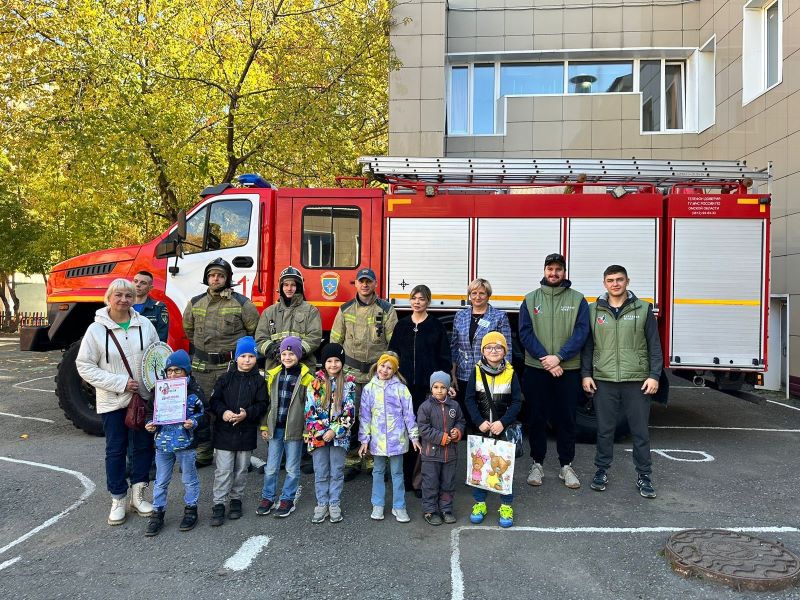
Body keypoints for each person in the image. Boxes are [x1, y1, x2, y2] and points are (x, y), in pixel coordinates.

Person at [76, 278, 160, 525]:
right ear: (109, 297)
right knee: (115, 450)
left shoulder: (145, 325)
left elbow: (157, 355)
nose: (124, 300)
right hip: (113, 400)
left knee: (143, 447)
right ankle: (118, 498)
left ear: (135, 298)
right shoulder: (96, 330)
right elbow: (84, 366)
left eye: (129, 295)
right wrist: (120, 383)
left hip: (143, 399)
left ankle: (138, 495)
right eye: (119, 295)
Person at [581, 265, 663, 499]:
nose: (615, 284)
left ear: (628, 281)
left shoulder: (644, 309)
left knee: (640, 432)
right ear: (604, 283)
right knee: (605, 430)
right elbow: (588, 346)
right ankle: (601, 471)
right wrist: (586, 374)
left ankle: (644, 475)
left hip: (637, 380)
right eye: (610, 280)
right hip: (604, 379)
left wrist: (654, 375)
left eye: (619, 279)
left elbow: (654, 346)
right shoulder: (593, 310)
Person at [519, 253, 589, 490]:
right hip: (537, 369)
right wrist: (546, 360)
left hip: (567, 369)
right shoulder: (530, 300)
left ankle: (566, 466)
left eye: (558, 269)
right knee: (536, 417)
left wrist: (559, 357)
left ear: (564, 273)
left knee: (566, 418)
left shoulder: (578, 300)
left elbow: (581, 333)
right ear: (544, 270)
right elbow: (525, 333)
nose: (554, 273)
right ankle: (537, 464)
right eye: (550, 269)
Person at [183, 257, 260, 467]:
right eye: (212, 275)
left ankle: (231, 455)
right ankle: (204, 453)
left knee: (231, 410)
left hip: (229, 368)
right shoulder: (195, 303)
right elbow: (188, 330)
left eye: (220, 275)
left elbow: (254, 332)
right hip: (203, 367)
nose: (215, 279)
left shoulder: (243, 303)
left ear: (227, 279)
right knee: (203, 410)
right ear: (207, 278)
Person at [330, 267, 397, 479]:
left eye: (369, 281)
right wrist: (335, 371)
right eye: (361, 281)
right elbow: (335, 342)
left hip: (376, 376)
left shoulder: (387, 310)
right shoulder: (345, 309)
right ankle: (351, 460)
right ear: (356, 284)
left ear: (375, 284)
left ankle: (371, 460)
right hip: (349, 373)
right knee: (349, 417)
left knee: (375, 418)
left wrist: (386, 371)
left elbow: (392, 344)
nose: (365, 285)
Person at [388, 284, 451, 497]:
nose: (417, 302)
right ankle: (402, 478)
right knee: (405, 432)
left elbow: (444, 357)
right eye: (414, 298)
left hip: (426, 390)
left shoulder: (435, 326)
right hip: (404, 389)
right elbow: (393, 355)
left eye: (422, 299)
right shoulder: (402, 325)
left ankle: (420, 480)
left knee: (424, 435)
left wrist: (441, 386)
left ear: (428, 302)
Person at [144, 349, 208, 536]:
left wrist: (194, 422)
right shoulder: (158, 390)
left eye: (177, 371)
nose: (172, 374)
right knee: (161, 480)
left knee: (189, 479)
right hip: (163, 444)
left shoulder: (194, 392)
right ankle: (158, 513)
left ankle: (191, 509)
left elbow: (206, 414)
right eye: (169, 371)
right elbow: (150, 412)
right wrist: (150, 424)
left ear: (187, 372)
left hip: (185, 444)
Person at [465, 332, 523, 528]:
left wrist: (503, 422)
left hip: (502, 431)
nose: (493, 351)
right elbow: (469, 399)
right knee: (479, 467)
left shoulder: (511, 373)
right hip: (481, 428)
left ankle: (506, 505)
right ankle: (479, 503)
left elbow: (516, 402)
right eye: (489, 347)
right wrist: (479, 420)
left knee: (504, 469)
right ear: (483, 351)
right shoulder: (477, 371)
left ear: (504, 351)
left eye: (498, 347)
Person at [208, 336, 268, 527]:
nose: (247, 360)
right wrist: (223, 412)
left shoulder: (259, 381)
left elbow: (262, 404)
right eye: (243, 356)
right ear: (236, 357)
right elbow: (214, 401)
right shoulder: (225, 378)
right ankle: (219, 503)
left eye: (251, 356)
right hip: (224, 432)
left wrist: (247, 414)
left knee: (241, 470)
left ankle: (236, 499)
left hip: (246, 432)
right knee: (223, 470)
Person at [358, 352, 420, 523]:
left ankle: (399, 506)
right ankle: (377, 504)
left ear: (395, 370)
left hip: (397, 439)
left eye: (389, 367)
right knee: (377, 471)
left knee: (397, 473)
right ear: (377, 366)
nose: (384, 370)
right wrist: (365, 439)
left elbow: (409, 415)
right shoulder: (369, 388)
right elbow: (365, 416)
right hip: (377, 440)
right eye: (382, 366)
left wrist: (414, 437)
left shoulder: (401, 388)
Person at [257, 336, 315, 518]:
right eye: (284, 353)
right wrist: (264, 425)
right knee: (272, 466)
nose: (287, 357)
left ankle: (287, 499)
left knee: (292, 467)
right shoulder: (273, 376)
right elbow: (267, 404)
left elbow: (309, 407)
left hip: (295, 430)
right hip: (275, 428)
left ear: (298, 355)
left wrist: (307, 430)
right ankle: (268, 497)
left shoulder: (307, 378)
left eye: (291, 353)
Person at [304, 343, 356, 523]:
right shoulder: (314, 383)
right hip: (318, 437)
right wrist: (323, 431)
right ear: (323, 363)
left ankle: (334, 502)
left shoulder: (349, 384)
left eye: (336, 361)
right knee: (321, 471)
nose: (333, 364)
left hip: (339, 438)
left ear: (341, 362)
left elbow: (349, 413)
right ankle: (321, 503)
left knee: (337, 470)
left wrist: (334, 431)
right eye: (329, 361)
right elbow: (310, 412)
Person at [450, 278, 512, 424]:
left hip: (490, 375)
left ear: (488, 295)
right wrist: (453, 373)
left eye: (482, 293)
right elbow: (454, 346)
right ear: (469, 295)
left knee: (486, 419)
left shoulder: (499, 317)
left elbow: (507, 349)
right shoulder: (460, 316)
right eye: (474, 293)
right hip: (464, 375)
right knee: (466, 419)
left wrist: (505, 377)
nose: (477, 297)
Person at [417, 371, 465, 526]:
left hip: (450, 455)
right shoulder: (425, 407)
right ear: (431, 388)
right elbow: (423, 429)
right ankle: (430, 510)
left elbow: (461, 421)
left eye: (443, 387)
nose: (439, 390)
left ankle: (446, 509)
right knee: (430, 483)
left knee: (448, 483)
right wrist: (442, 437)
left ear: (448, 388)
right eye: (436, 387)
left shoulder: (454, 406)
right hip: (431, 455)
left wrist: (457, 431)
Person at [255, 266, 322, 371]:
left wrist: (297, 352)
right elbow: (260, 339)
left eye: (293, 285)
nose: (289, 289)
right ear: (281, 287)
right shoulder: (269, 312)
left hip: (303, 368)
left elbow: (315, 337)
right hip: (274, 367)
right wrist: (273, 350)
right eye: (285, 285)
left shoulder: (311, 311)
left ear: (299, 287)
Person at [132, 270, 169, 343]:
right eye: (135, 281)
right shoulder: (123, 306)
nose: (138, 285)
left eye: (143, 283)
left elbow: (161, 337)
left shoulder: (159, 308)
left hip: (148, 352)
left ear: (150, 288)